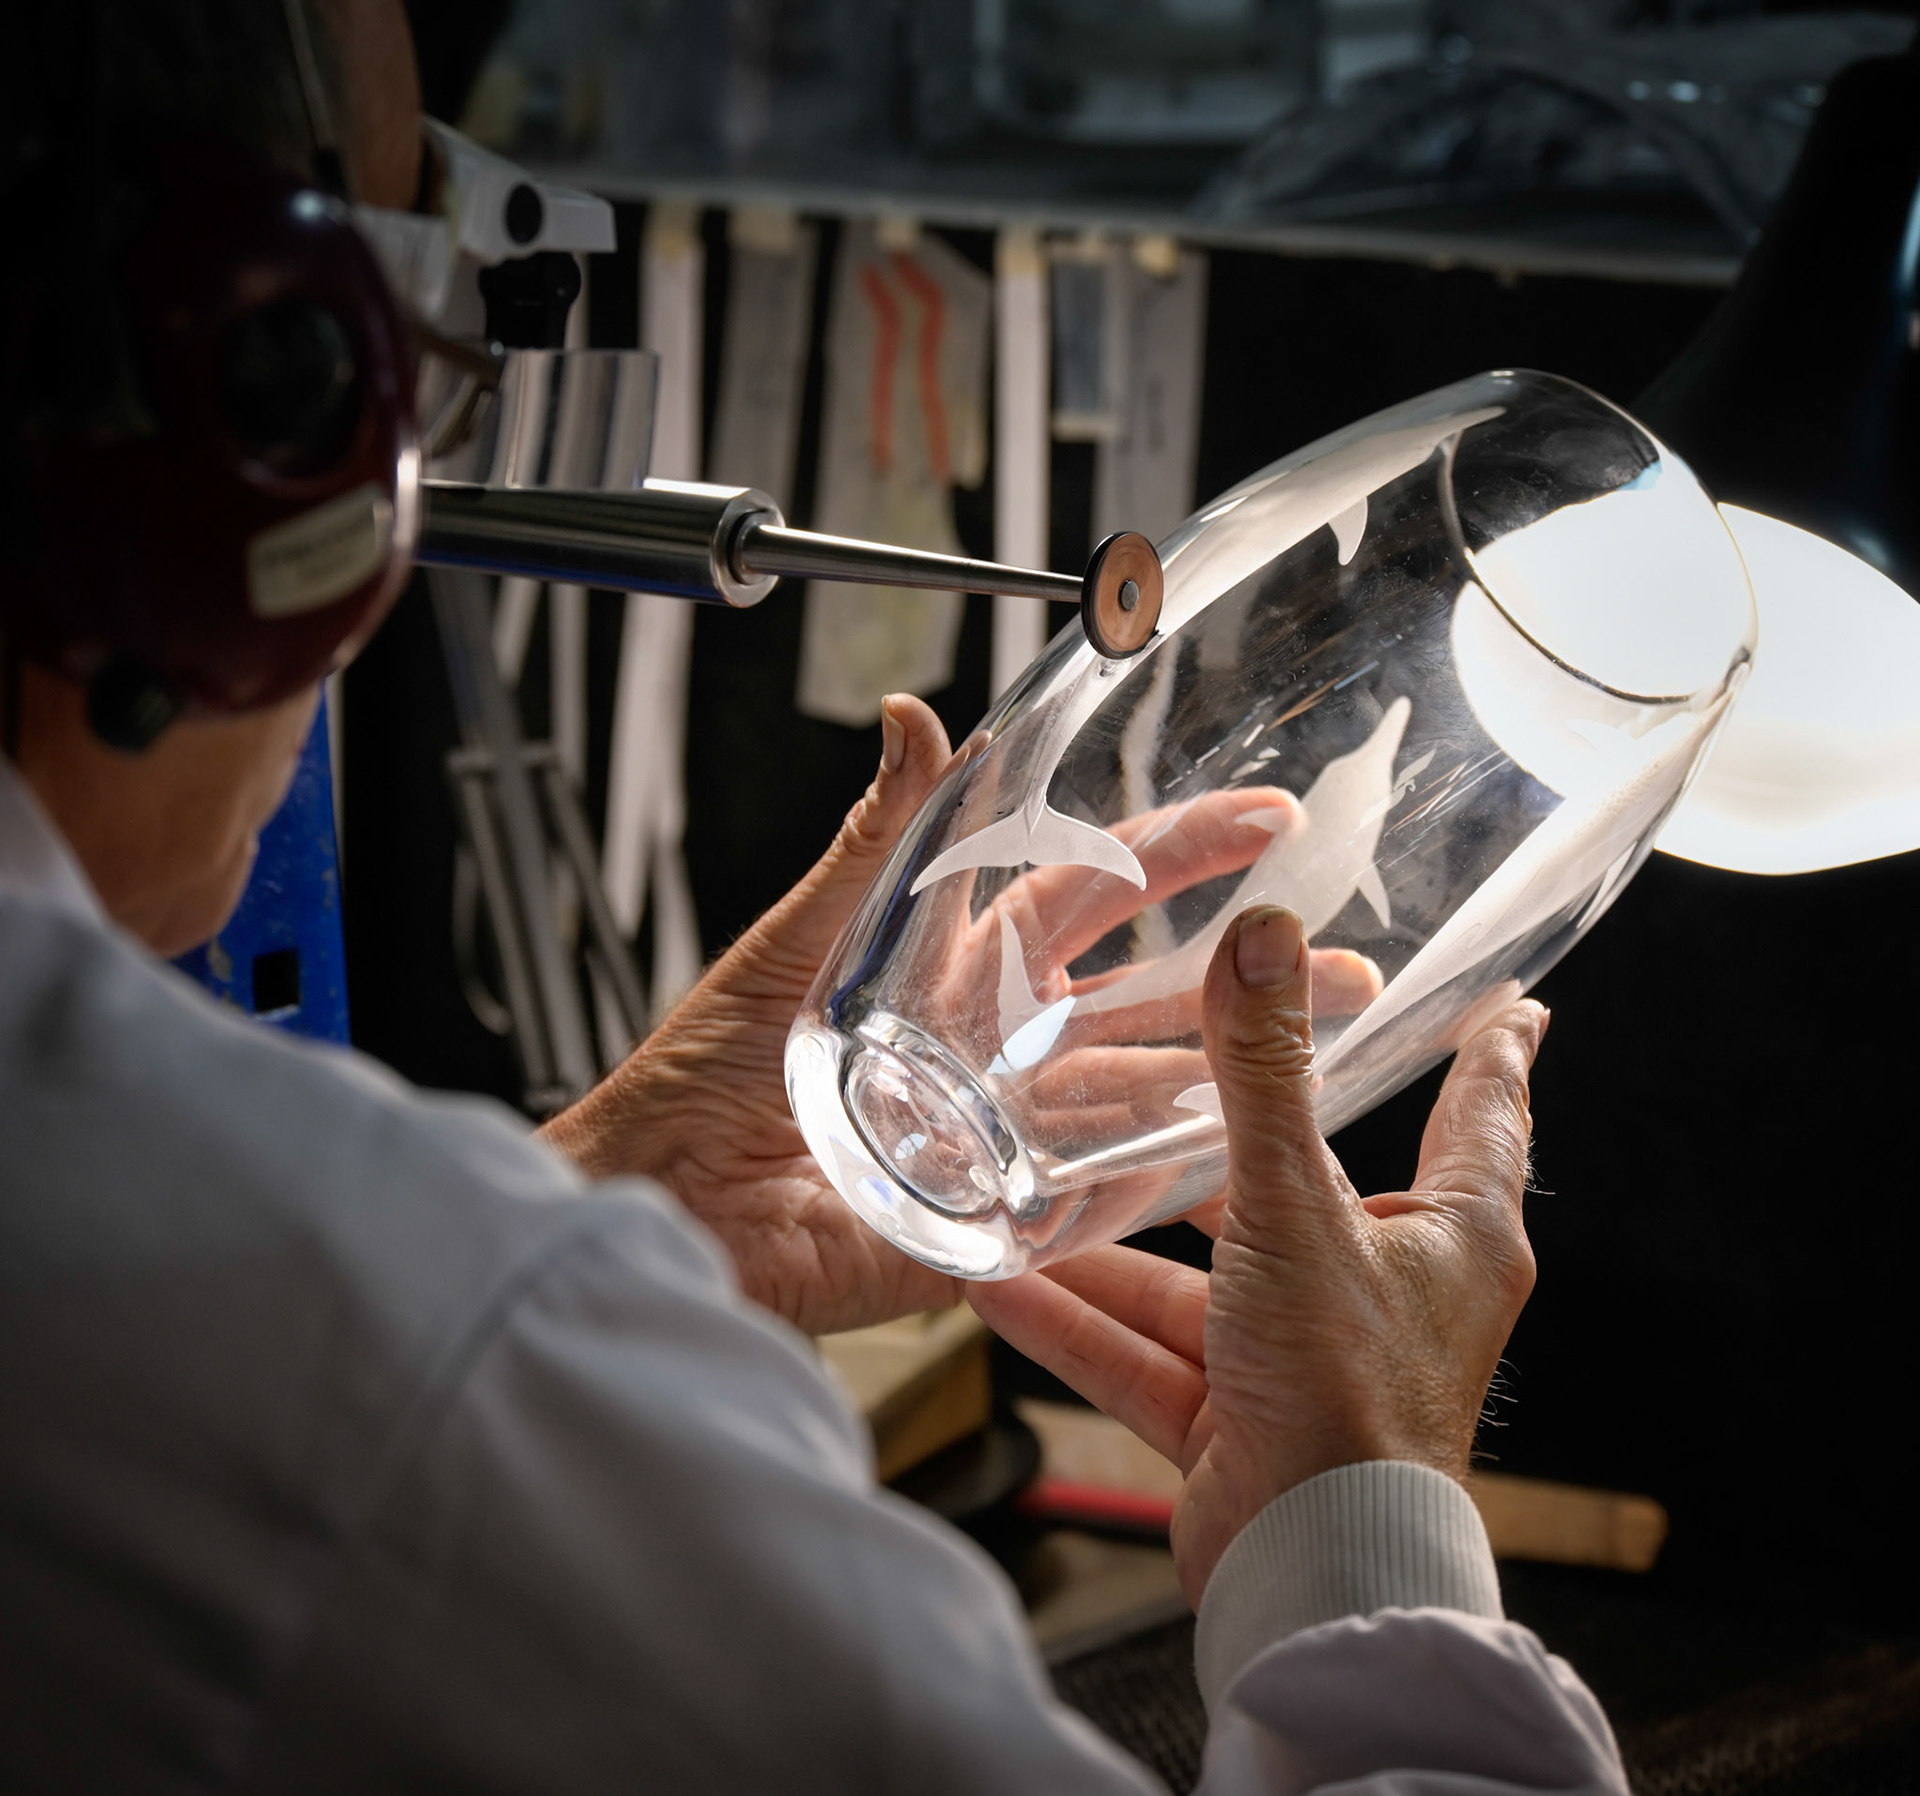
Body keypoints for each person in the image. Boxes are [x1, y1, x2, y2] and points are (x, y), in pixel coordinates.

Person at [0, 3, 1628, 1790]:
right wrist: (1366, 1521)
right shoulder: (379, 1394)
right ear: (267, 416)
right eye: (419, 329)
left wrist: (601, 1224)